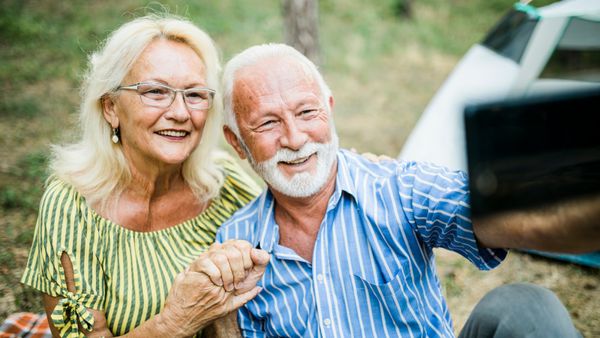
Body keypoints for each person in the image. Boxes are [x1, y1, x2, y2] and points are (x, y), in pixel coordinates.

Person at [216, 43, 595, 337]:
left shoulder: (399, 187)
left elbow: (518, 219)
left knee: (525, 308)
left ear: (329, 110)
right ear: (237, 142)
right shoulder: (236, 242)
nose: (295, 139)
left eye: (306, 112)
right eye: (268, 123)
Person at [20, 15, 271, 338]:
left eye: (194, 95)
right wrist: (175, 322)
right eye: (155, 91)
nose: (180, 113)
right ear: (110, 107)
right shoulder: (73, 206)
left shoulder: (224, 185)